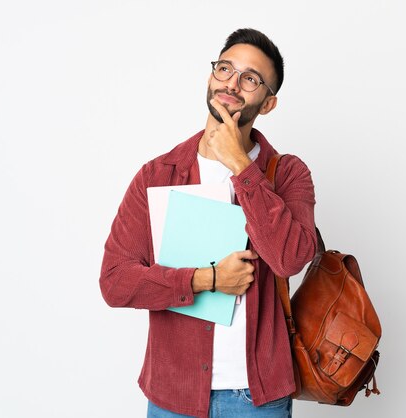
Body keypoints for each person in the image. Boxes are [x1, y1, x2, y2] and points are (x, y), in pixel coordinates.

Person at [100, 28, 317, 418]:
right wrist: (206, 279)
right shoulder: (157, 174)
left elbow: (289, 260)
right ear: (210, 77)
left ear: (268, 103)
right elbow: (115, 282)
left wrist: (240, 165)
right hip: (173, 395)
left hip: (257, 399)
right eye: (225, 69)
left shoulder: (288, 175)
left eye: (250, 78)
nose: (233, 83)